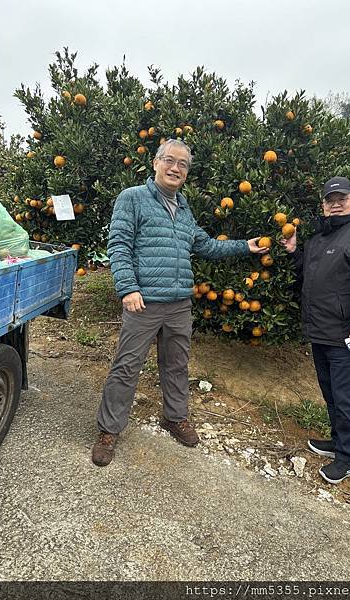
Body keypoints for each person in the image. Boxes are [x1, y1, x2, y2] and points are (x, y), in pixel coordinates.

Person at [92, 139, 268, 467]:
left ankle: (174, 417)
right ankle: (108, 430)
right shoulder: (132, 198)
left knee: (176, 364)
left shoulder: (183, 207)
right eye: (170, 161)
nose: (175, 168)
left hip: (178, 304)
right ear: (156, 164)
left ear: (187, 172)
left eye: (183, 164)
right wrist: (128, 288)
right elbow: (118, 245)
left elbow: (205, 245)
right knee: (127, 367)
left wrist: (246, 246)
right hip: (143, 302)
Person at [282, 176, 350, 484]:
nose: (337, 203)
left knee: (347, 397)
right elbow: (309, 274)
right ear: (324, 205)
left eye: (343, 198)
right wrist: (293, 252)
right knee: (331, 393)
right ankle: (337, 441)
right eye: (331, 199)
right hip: (321, 331)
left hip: (348, 334)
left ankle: (348, 457)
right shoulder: (319, 238)